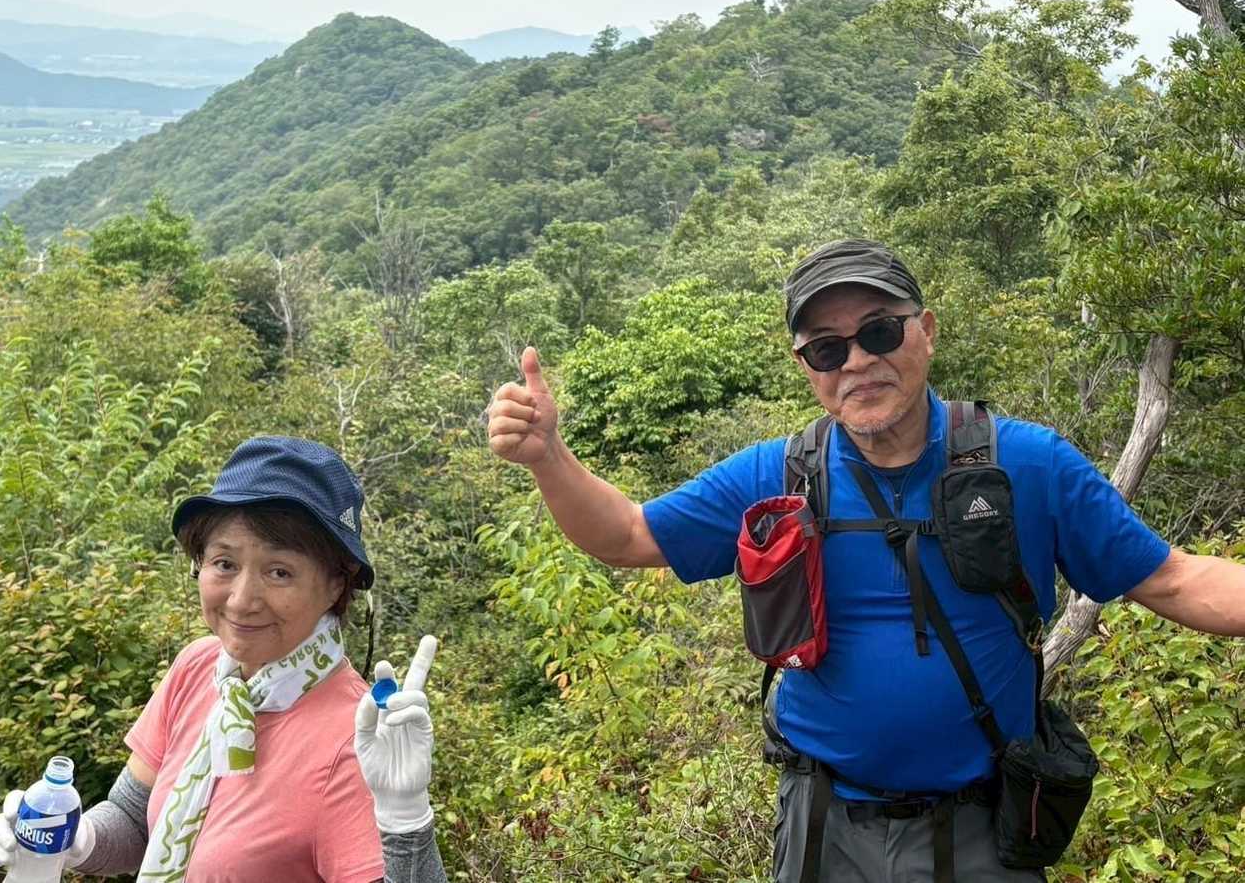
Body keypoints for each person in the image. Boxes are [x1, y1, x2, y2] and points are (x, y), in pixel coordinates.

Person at [487, 238, 1245, 883]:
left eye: (879, 331)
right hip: (824, 823)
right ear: (807, 366)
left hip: (982, 823)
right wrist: (549, 456)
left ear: (926, 332)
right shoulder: (779, 476)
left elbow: (1173, 578)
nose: (857, 360)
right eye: (827, 347)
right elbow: (627, 535)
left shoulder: (1027, 465)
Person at [0, 436, 448, 883]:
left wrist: (405, 821)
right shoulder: (199, 668)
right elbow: (135, 818)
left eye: (279, 572)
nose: (242, 600)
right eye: (224, 563)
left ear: (335, 586)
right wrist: (74, 839)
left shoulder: (357, 742)